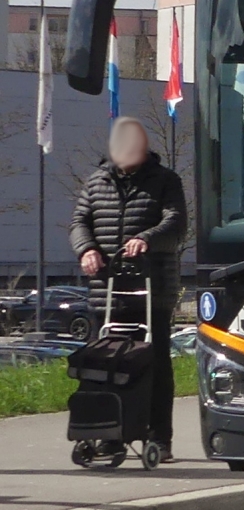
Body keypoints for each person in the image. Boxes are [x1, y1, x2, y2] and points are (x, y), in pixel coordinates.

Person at [69, 117, 187, 463]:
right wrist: (86, 249)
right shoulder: (96, 181)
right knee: (105, 364)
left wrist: (146, 239)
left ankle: (158, 436)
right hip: (107, 290)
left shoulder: (165, 181)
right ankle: (109, 432)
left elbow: (176, 223)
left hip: (152, 288)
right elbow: (79, 222)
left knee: (155, 365)